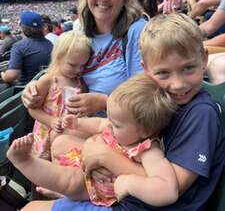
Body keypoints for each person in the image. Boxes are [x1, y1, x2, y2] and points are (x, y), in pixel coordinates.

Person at [10, 13, 225, 211]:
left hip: (138, 205)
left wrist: (105, 157)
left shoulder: (201, 113)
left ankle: (62, 185)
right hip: (125, 195)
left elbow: (172, 189)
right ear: (145, 69)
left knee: (31, 208)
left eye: (188, 68)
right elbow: (109, 124)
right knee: (61, 144)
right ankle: (64, 184)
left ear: (204, 59)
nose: (177, 84)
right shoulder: (158, 97)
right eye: (163, 73)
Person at [7, 73, 179, 207]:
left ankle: (25, 161)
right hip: (90, 166)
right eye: (110, 119)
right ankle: (60, 188)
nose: (109, 125)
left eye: (116, 124)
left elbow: (168, 191)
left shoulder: (148, 150)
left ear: (145, 131)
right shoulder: (121, 127)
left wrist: (129, 182)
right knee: (61, 142)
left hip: (97, 187)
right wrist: (78, 123)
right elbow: (98, 123)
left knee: (71, 180)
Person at [22, 0, 146, 118]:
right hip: (77, 126)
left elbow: (147, 97)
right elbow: (57, 71)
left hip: (119, 129)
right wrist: (33, 88)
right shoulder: (80, 30)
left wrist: (104, 102)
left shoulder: (137, 31)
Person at [28, 30, 91, 160]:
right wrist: (51, 121)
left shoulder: (79, 81)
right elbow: (33, 109)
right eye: (73, 65)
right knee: (44, 167)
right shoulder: (48, 80)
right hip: (45, 132)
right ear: (58, 57)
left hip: (67, 134)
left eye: (82, 65)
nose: (79, 70)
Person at [0, 11, 53, 87]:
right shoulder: (50, 44)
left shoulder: (19, 46)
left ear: (22, 27)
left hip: (24, 89)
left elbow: (12, 76)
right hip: (46, 86)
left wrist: (3, 75)